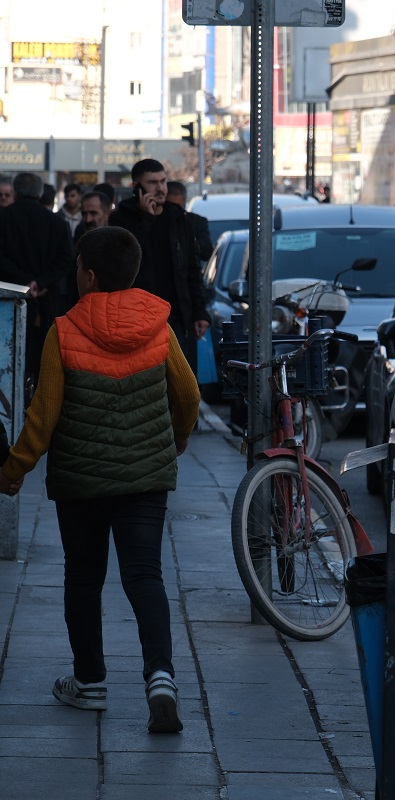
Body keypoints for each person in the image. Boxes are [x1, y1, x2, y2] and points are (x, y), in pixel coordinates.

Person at [0, 226, 199, 733]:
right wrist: (176, 437)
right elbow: (189, 394)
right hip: (145, 479)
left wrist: (14, 468)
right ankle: (160, 676)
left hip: (81, 483)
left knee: (84, 578)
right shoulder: (159, 325)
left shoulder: (63, 331)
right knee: (144, 575)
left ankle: (89, 683)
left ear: (87, 274)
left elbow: (42, 416)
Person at [108, 159, 211, 375]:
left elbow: (192, 269)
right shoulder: (121, 218)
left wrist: (200, 312)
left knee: (181, 380)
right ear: (137, 187)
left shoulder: (178, 218)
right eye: (153, 182)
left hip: (176, 316)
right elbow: (124, 258)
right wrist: (146, 218)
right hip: (138, 317)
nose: (160, 188)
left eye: (163, 181)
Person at [0, 172, 75, 385]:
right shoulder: (57, 223)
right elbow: (66, 259)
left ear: (15, 192)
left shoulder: (4, 219)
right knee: (42, 355)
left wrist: (24, 282)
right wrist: (39, 282)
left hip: (7, 299)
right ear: (40, 193)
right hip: (45, 299)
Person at [166, 181, 213, 262]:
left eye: (178, 207)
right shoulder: (157, 222)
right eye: (170, 206)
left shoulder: (196, 222)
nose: (174, 211)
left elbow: (207, 252)